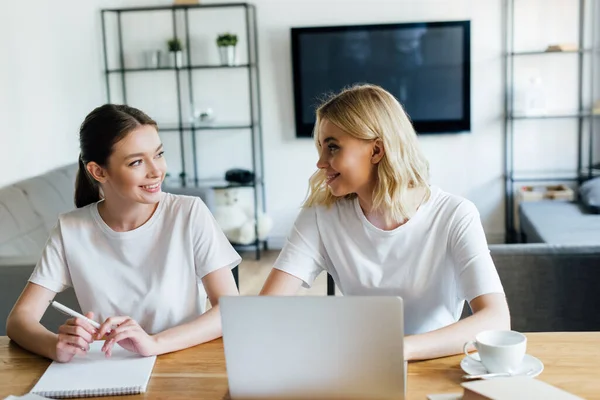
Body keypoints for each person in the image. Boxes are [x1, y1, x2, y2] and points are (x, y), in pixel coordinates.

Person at [260, 84, 510, 361]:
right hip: (361, 365)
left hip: (438, 364)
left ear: (376, 151)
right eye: (320, 148)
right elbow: (265, 310)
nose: (320, 162)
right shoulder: (320, 216)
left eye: (332, 147)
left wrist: (399, 350)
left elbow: (496, 320)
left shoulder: (455, 215)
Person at [6, 104, 240, 362]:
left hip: (181, 363)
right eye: (137, 162)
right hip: (106, 369)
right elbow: (19, 320)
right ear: (98, 171)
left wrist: (153, 343)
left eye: (159, 154)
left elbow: (230, 310)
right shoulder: (71, 229)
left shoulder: (188, 213)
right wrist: (55, 346)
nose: (156, 170)